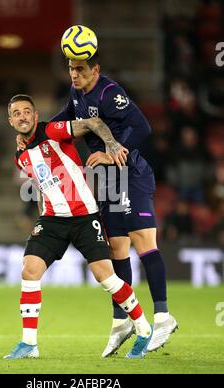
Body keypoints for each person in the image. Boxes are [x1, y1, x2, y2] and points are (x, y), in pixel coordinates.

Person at [18, 52, 178, 356]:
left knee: (143, 240)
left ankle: (162, 316)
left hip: (131, 174)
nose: (74, 75)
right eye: (70, 69)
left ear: (95, 70)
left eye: (79, 69)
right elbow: (63, 120)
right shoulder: (76, 93)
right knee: (116, 246)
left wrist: (112, 150)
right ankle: (121, 322)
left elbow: (143, 127)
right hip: (107, 181)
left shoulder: (110, 93)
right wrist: (30, 135)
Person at [5, 94, 153, 359]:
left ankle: (143, 329)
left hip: (84, 216)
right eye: (17, 113)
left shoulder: (52, 130)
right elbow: (41, 186)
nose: (23, 117)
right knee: (30, 270)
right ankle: (29, 344)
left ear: (35, 116)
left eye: (28, 111)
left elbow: (94, 121)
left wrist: (111, 146)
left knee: (105, 278)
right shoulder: (21, 156)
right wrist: (41, 216)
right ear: (10, 121)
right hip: (52, 220)